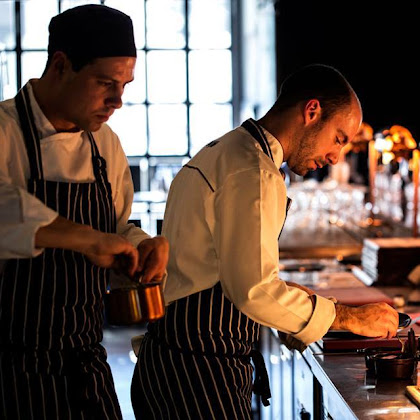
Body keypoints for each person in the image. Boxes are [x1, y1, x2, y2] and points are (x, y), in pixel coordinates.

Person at [131, 64, 399, 419]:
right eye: (338, 138)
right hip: (199, 375)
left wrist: (297, 308)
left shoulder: (227, 149)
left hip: (173, 363)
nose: (336, 157)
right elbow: (254, 290)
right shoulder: (254, 170)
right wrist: (347, 317)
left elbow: (224, 271)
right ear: (312, 111)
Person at [0, 5, 168, 419]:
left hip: (85, 365)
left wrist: (141, 246)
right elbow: (6, 212)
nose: (118, 101)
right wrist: (87, 239)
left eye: (125, 85)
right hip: (11, 371)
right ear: (60, 65)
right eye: (105, 83)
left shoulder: (103, 143)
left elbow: (114, 228)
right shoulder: (4, 132)